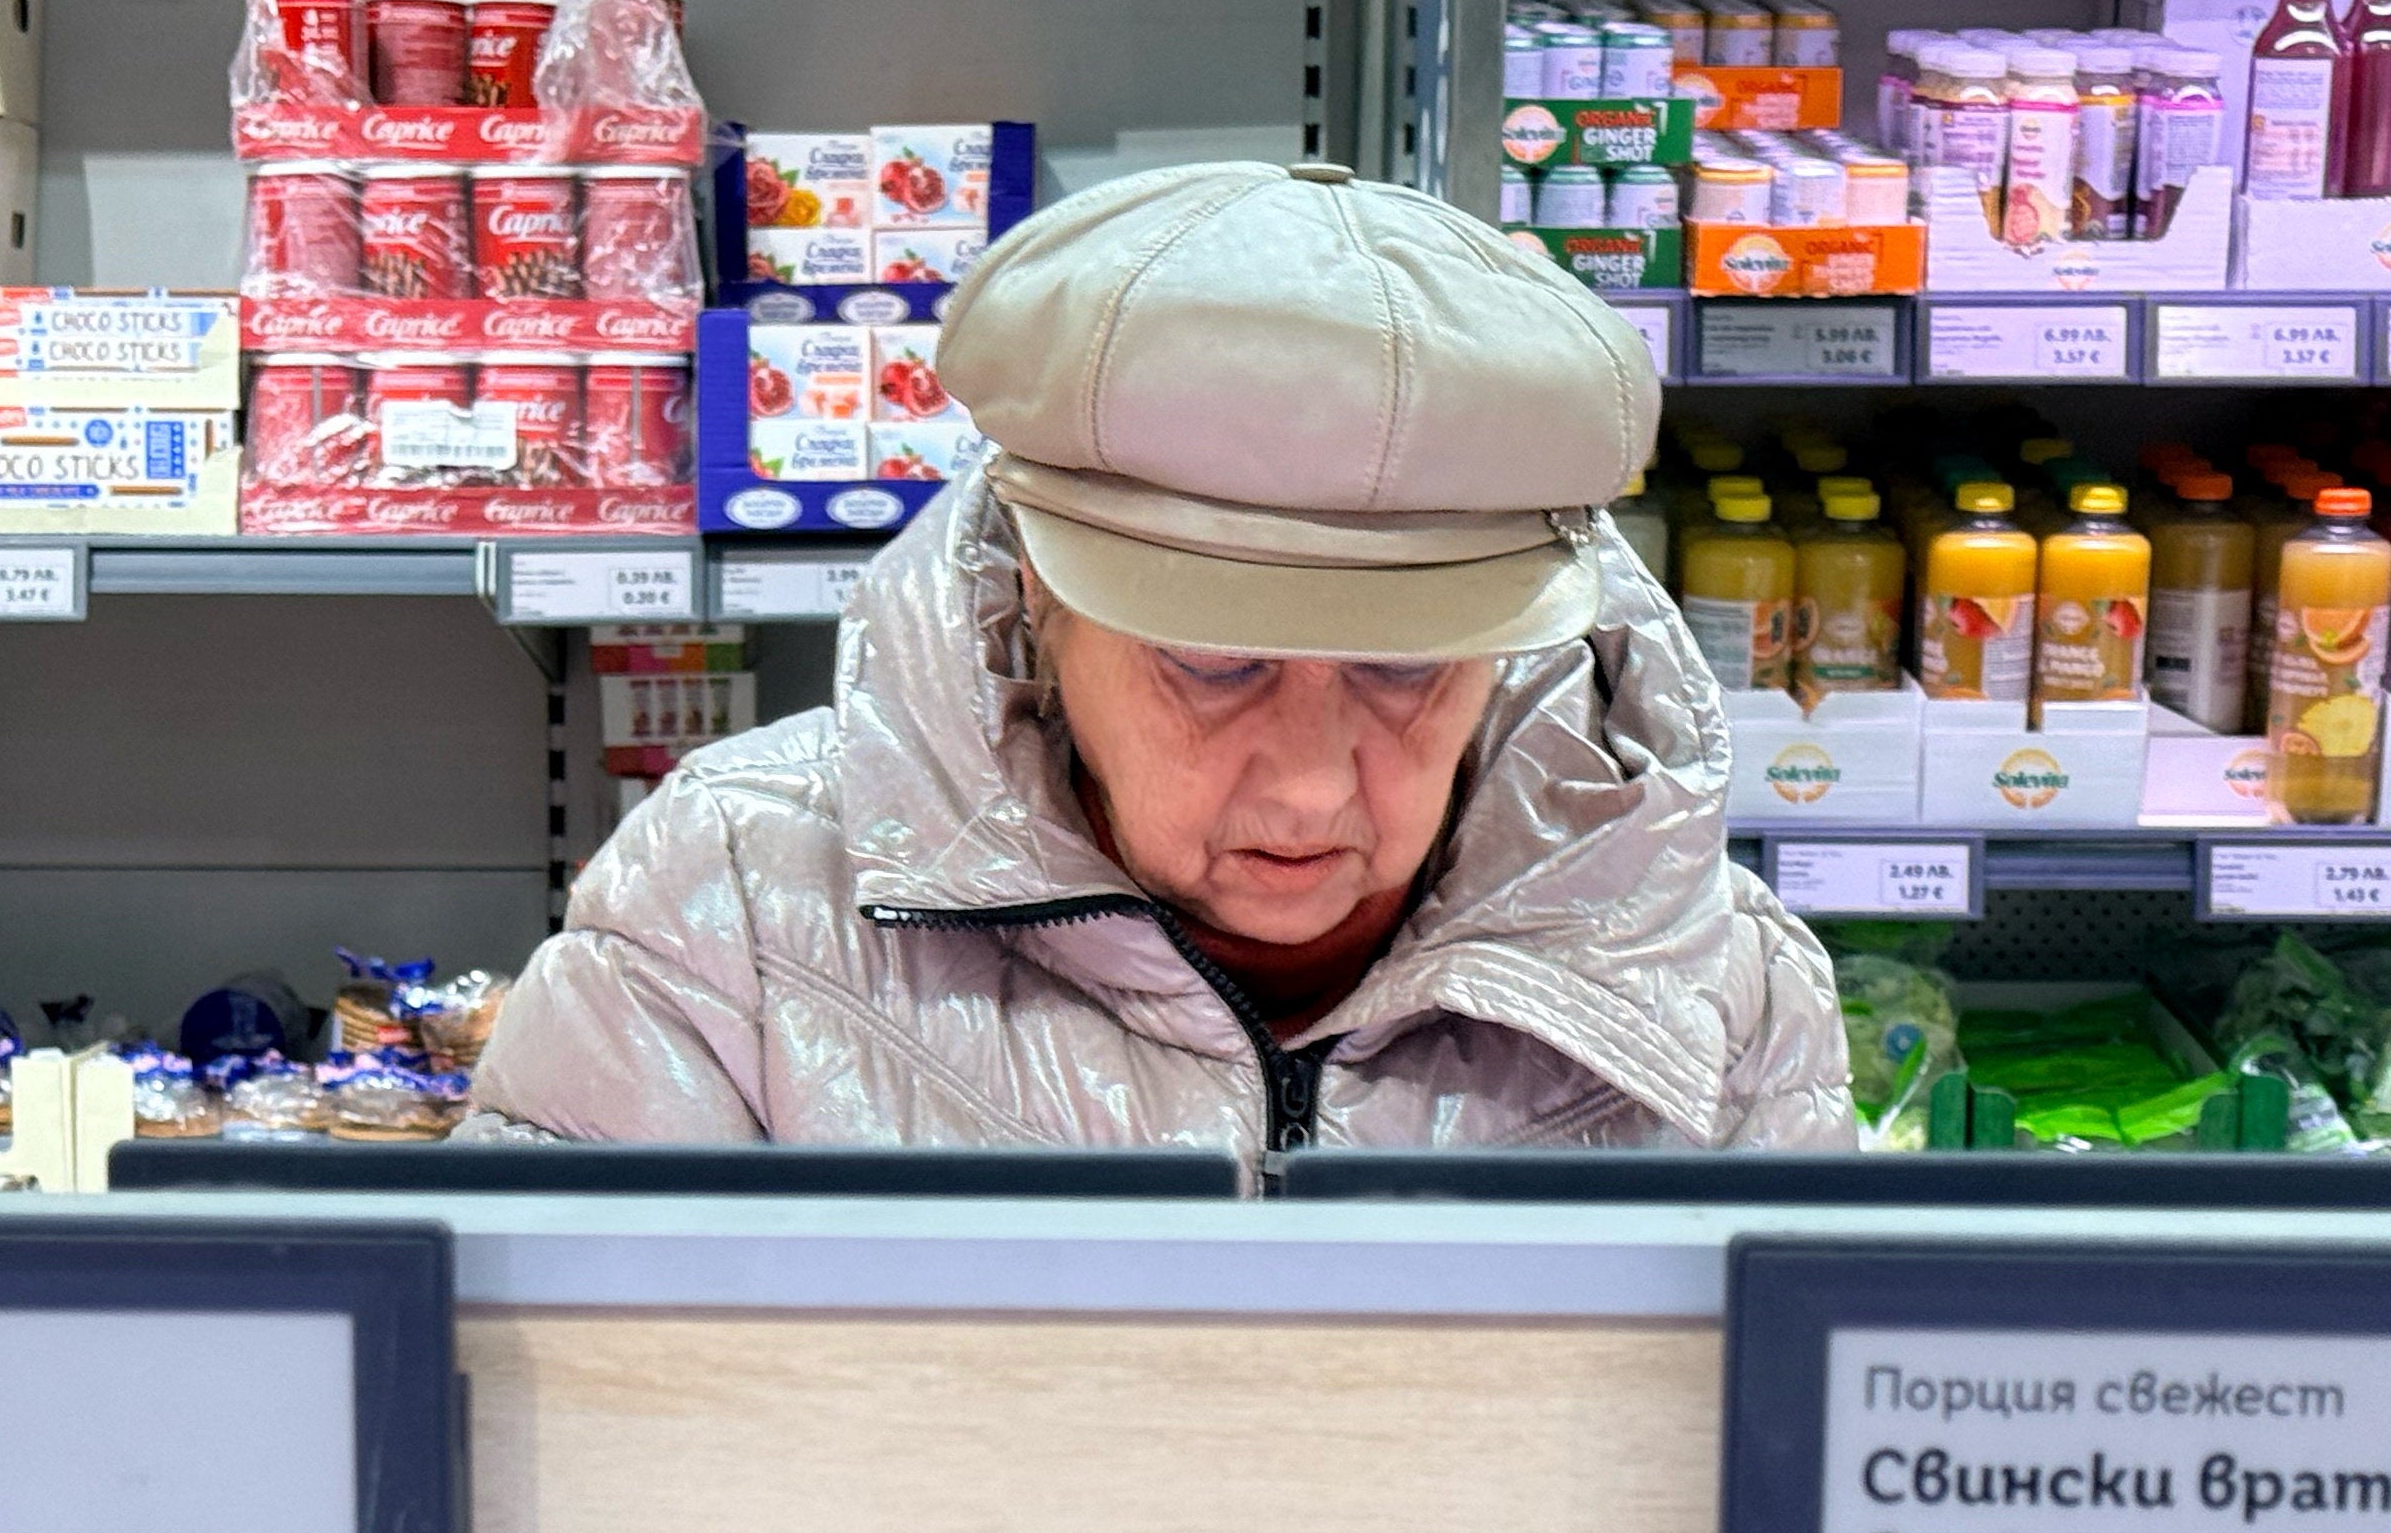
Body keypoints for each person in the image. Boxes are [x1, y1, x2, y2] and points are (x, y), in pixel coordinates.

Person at [463, 160, 1852, 1155]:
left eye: (1405, 667)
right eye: (1212, 662)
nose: (1309, 791)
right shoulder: (735, 910)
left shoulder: (1721, 984)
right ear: (1034, 611)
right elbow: (577, 1463)